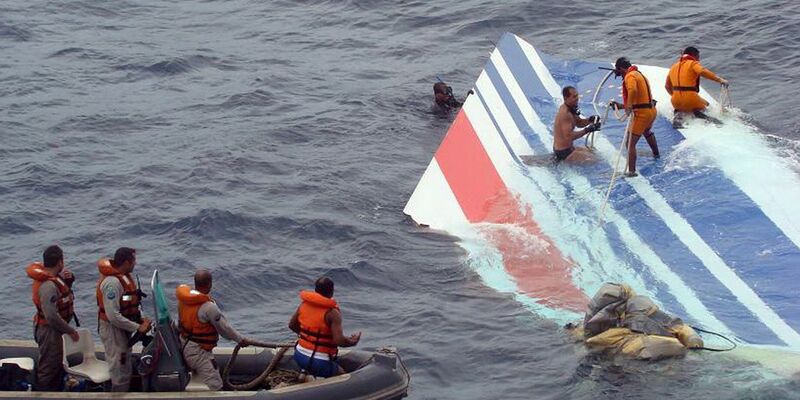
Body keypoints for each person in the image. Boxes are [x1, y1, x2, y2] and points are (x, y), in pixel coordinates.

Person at [176, 269, 255, 391]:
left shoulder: (184, 301)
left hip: (184, 345)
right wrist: (241, 340)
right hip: (198, 352)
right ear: (209, 284)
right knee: (216, 384)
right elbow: (225, 329)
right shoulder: (208, 307)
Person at [96, 247, 151, 392]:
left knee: (125, 363)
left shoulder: (125, 279)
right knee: (119, 366)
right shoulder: (112, 283)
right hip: (112, 329)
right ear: (127, 262)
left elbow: (127, 300)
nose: (135, 263)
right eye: (133, 261)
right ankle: (117, 394)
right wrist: (137, 327)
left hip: (123, 328)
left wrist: (141, 319)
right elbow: (113, 316)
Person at [27, 245, 79, 391]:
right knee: (49, 367)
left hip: (54, 330)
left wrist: (68, 283)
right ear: (60, 262)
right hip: (49, 331)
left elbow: (61, 297)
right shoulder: (48, 285)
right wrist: (70, 330)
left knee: (57, 364)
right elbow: (51, 316)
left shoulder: (56, 279)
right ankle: (43, 393)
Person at [288, 277, 360, 378]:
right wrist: (352, 342)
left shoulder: (304, 305)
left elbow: (291, 325)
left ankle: (306, 373)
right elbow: (339, 341)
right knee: (342, 375)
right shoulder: (332, 313)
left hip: (298, 355)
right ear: (332, 292)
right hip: (318, 362)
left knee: (313, 364)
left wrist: (308, 337)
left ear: (316, 290)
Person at [609, 57, 660, 177]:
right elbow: (640, 100)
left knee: (630, 143)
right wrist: (621, 106)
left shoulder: (630, 76)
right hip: (651, 111)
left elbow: (633, 90)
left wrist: (628, 107)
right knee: (647, 131)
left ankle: (631, 171)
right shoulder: (638, 74)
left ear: (621, 69)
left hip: (642, 115)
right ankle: (656, 154)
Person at [665, 46, 728, 123]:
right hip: (691, 100)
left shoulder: (673, 67)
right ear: (693, 55)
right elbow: (702, 71)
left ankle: (678, 113)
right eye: (698, 57)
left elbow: (667, 86)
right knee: (707, 104)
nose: (698, 60)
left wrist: (676, 96)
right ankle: (698, 113)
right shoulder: (692, 63)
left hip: (675, 102)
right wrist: (720, 80)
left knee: (686, 104)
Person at [553, 86, 601, 163]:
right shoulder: (565, 114)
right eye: (574, 96)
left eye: (577, 95)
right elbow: (569, 137)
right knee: (595, 161)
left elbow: (579, 123)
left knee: (593, 152)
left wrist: (590, 120)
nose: (577, 98)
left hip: (569, 147)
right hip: (563, 152)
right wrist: (587, 130)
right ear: (566, 98)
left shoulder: (571, 108)